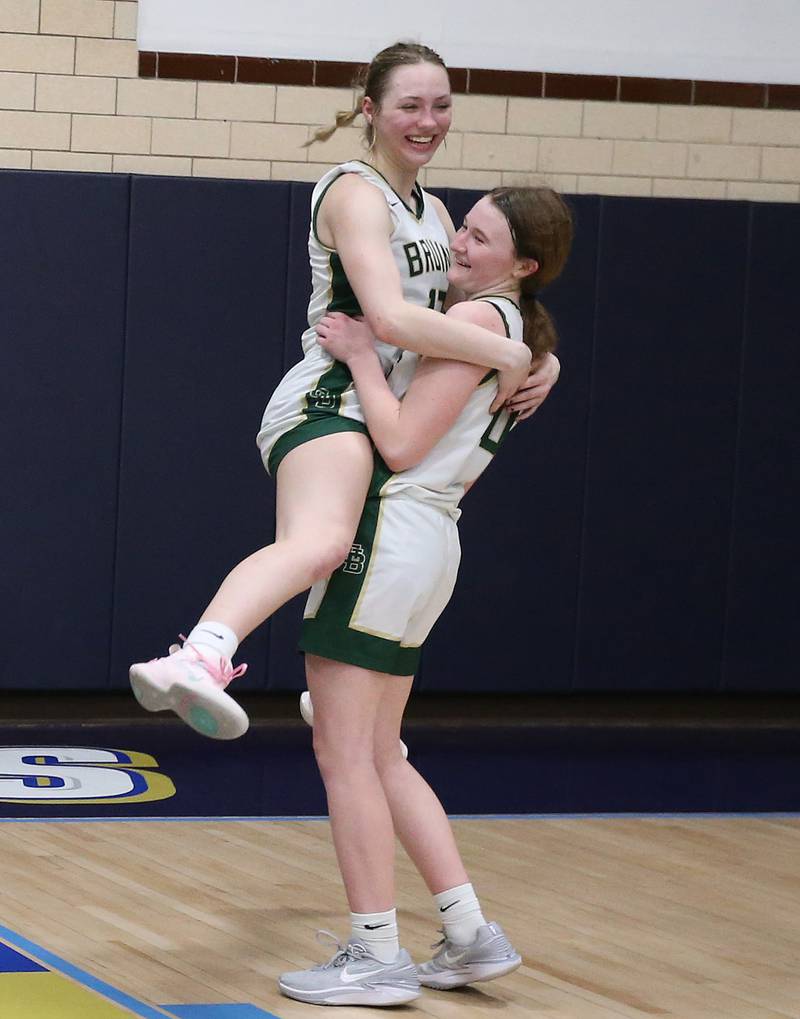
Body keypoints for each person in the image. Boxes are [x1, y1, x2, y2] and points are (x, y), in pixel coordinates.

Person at [129, 41, 560, 738]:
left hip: (372, 407)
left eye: (442, 105)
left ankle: (327, 693)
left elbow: (495, 298)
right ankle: (199, 654)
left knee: (349, 545)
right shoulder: (354, 191)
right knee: (324, 540)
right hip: (329, 395)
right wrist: (510, 351)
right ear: (370, 110)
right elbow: (390, 318)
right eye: (410, 106)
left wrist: (545, 359)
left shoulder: (438, 214)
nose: (428, 120)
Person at [277, 184, 574, 1006]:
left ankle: (374, 951)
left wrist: (364, 357)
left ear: (522, 265)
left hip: (395, 533)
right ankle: (471, 931)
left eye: (476, 239)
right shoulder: (510, 330)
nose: (457, 248)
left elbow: (402, 444)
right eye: (462, 230)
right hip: (428, 544)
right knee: (380, 753)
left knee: (345, 756)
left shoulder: (480, 324)